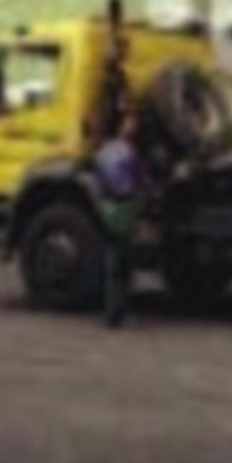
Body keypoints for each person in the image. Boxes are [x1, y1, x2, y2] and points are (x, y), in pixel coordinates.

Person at [92, 110, 149, 329]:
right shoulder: (131, 154)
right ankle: (120, 311)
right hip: (125, 208)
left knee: (112, 263)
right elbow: (140, 183)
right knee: (124, 265)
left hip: (109, 208)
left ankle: (111, 313)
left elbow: (97, 180)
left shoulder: (105, 151)